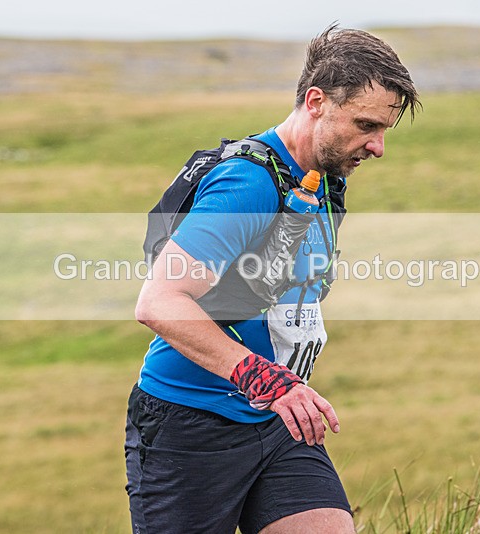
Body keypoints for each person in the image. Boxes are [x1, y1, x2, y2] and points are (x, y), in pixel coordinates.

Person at [126, 24, 419, 534]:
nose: (377, 148)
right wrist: (267, 380)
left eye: (383, 131)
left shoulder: (323, 179)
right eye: (365, 125)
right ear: (316, 101)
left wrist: (279, 388)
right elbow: (159, 301)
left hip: (276, 422)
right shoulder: (248, 183)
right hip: (190, 425)